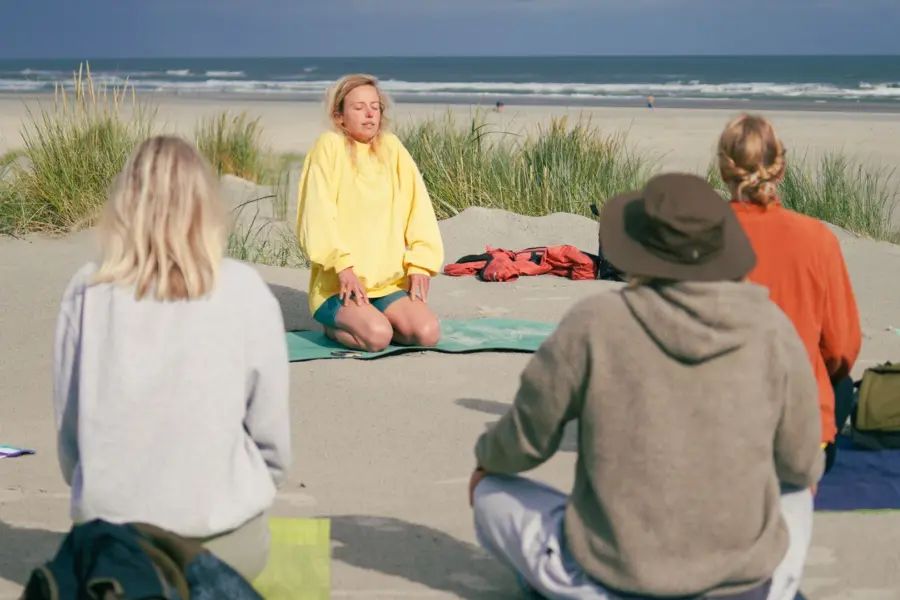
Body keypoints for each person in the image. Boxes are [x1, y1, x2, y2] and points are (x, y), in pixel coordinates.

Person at [468, 173, 824, 600]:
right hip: (742, 584)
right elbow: (801, 465)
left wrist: (486, 463)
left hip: (612, 579)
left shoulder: (594, 323)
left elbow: (523, 443)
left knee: (491, 491)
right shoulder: (773, 328)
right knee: (797, 495)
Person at [52, 135, 291, 582]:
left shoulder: (87, 289)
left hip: (114, 542)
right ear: (205, 205)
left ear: (126, 204)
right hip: (223, 537)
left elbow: (71, 435)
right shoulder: (243, 288)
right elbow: (272, 440)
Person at [719, 113, 862, 471]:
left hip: (712, 424)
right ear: (780, 170)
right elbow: (842, 349)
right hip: (796, 427)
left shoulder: (692, 238)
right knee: (837, 384)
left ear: (724, 170)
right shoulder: (817, 239)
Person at [296, 73, 445, 352]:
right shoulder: (328, 147)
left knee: (428, 334)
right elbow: (317, 215)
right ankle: (334, 326)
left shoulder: (391, 147)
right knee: (377, 337)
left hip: (387, 284)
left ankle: (378, 319)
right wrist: (343, 265)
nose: (369, 114)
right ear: (339, 116)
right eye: (358, 107)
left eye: (375, 107)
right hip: (339, 286)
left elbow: (419, 209)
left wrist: (420, 264)